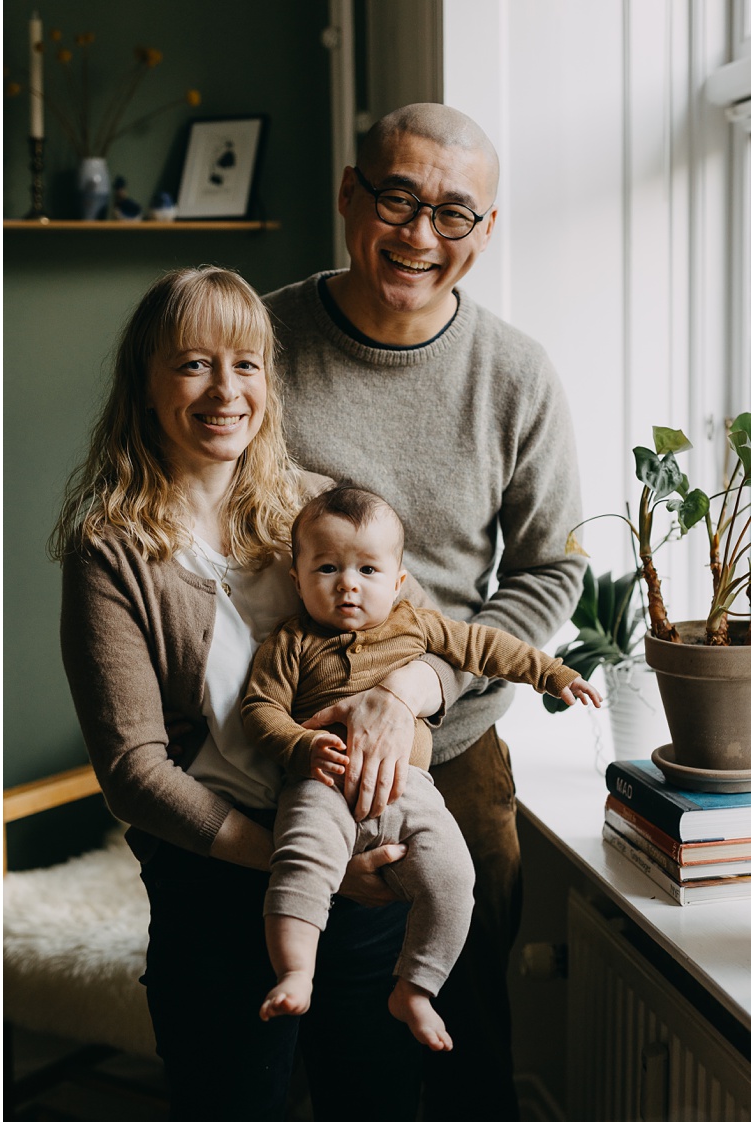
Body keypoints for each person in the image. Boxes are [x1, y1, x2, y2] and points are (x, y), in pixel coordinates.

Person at [54, 265, 452, 1120]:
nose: (225, 390)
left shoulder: (318, 505)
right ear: (146, 383)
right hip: (217, 890)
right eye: (193, 364)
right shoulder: (111, 551)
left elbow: (445, 647)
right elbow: (132, 769)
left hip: (369, 873)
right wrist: (302, 866)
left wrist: (404, 694)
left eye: (246, 364)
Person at [264, 102, 585, 1120]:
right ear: (350, 195)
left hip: (454, 740)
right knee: (306, 1018)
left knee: (461, 1018)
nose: (419, 235)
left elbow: (551, 572)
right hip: (282, 723)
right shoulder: (259, 345)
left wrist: (416, 688)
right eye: (397, 197)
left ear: (487, 233)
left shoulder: (517, 374)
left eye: (454, 212)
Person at [241, 484, 600, 1051]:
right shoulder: (291, 642)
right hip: (321, 786)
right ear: (297, 577)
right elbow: (259, 709)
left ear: (398, 581)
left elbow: (488, 647)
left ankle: (415, 988)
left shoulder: (416, 625)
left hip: (412, 791)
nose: (348, 584)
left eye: (368, 570)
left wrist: (554, 674)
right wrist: (300, 746)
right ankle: (295, 972)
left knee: (455, 878)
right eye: (328, 567)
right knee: (301, 864)